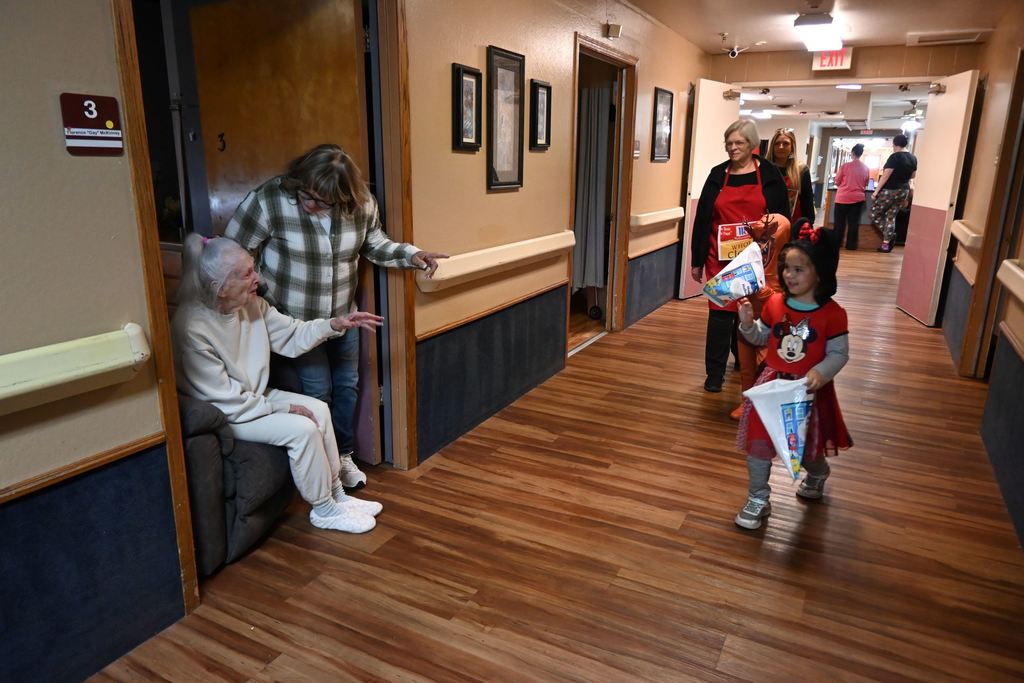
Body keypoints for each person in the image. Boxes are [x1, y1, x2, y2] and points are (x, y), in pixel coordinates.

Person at [225, 144, 447, 489]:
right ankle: (324, 473)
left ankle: (342, 457)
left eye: (322, 201)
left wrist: (413, 255)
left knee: (347, 387)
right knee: (318, 393)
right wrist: (259, 299)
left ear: (343, 197)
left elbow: (375, 243)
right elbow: (234, 251)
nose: (311, 205)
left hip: (344, 317)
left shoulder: (361, 206)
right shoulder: (270, 199)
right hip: (295, 322)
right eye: (306, 195)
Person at [172, 235, 387, 533]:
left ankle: (338, 496)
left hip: (252, 398)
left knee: (319, 410)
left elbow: (292, 335)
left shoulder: (253, 306)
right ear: (219, 289)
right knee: (302, 429)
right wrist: (283, 409)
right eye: (247, 274)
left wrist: (334, 324)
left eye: (253, 269)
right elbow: (224, 400)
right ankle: (323, 510)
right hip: (226, 413)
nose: (257, 278)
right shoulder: (192, 327)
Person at [732, 223, 853, 530]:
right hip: (770, 386)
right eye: (787, 268)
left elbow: (839, 354)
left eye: (799, 269)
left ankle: (817, 473)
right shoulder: (775, 303)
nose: (789, 275)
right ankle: (758, 497)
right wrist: (748, 324)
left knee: (805, 449)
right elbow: (762, 338)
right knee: (759, 445)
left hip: (808, 392)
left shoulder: (833, 314)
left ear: (821, 272)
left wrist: (819, 372)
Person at [691, 119, 789, 393]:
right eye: (729, 143)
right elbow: (702, 220)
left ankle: (745, 363)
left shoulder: (769, 175)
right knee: (720, 314)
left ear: (752, 145)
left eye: (739, 143)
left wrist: (783, 260)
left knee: (752, 312)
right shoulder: (716, 174)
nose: (733, 148)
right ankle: (714, 373)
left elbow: (783, 220)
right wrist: (697, 260)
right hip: (719, 258)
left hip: (759, 260)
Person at [728, 212, 792, 421]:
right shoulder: (751, 256)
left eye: (765, 240)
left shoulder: (789, 267)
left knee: (765, 365)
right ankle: (747, 404)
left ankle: (765, 405)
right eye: (758, 239)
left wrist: (768, 294)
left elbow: (791, 301)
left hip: (771, 323)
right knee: (746, 366)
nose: (761, 245)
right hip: (747, 317)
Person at [871, 133, 917, 253]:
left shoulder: (895, 157)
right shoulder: (913, 158)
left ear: (894, 144)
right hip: (904, 190)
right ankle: (885, 245)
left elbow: (885, 176)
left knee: (875, 214)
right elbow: (913, 175)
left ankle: (890, 235)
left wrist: (876, 192)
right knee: (891, 217)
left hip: (890, 190)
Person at [767, 128, 815, 226]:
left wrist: (808, 225)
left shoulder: (801, 170)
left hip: (794, 226)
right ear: (772, 146)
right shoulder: (764, 169)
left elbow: (807, 203)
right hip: (767, 225)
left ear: (792, 147)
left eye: (786, 143)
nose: (781, 147)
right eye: (777, 143)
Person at [832, 143, 870, 251]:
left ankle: (837, 244)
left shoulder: (845, 166)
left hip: (842, 198)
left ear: (852, 153)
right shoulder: (866, 168)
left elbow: (837, 181)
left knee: (839, 223)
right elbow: (866, 183)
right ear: (861, 154)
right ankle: (851, 246)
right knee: (853, 223)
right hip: (858, 199)